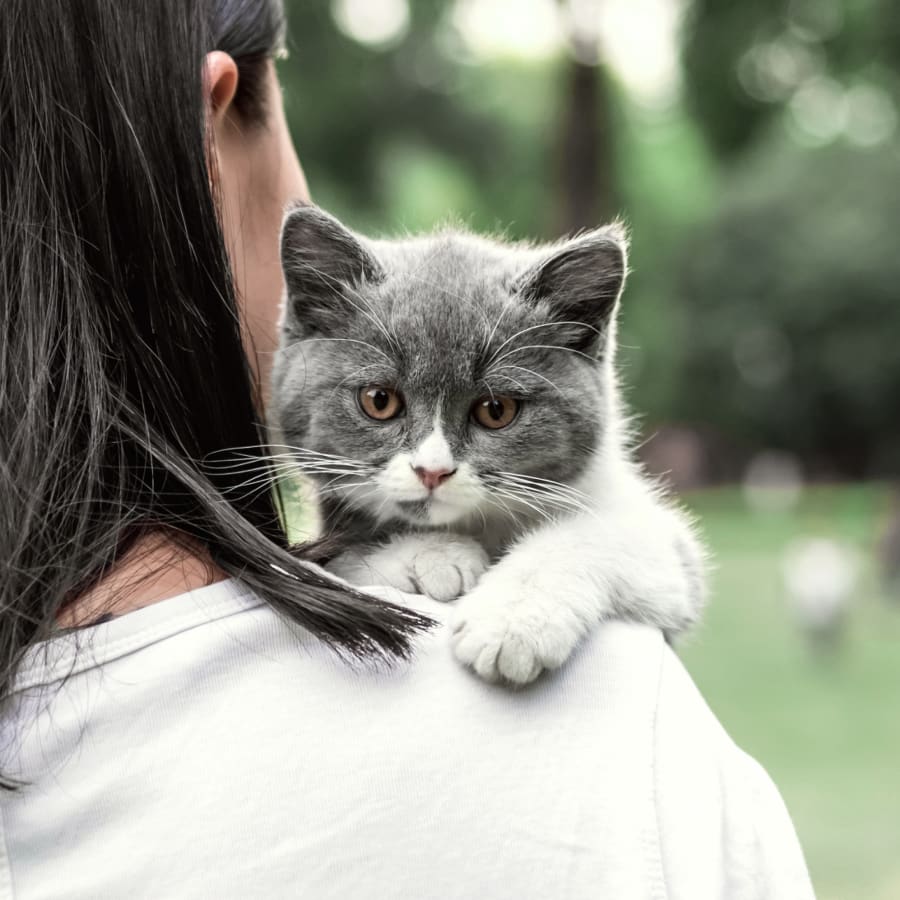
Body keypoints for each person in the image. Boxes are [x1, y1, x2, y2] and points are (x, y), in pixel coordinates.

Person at [0, 1, 816, 897]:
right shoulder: (638, 741)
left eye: (496, 410)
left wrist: (555, 576)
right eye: (383, 401)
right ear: (218, 119)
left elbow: (662, 567)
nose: (433, 461)